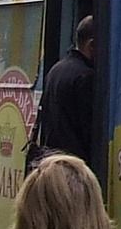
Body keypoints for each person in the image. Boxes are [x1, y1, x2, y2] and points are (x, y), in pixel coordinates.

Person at [35, 16, 98, 167]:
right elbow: (87, 130)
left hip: (51, 162)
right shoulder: (86, 76)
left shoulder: (56, 69)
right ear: (92, 45)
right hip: (74, 165)